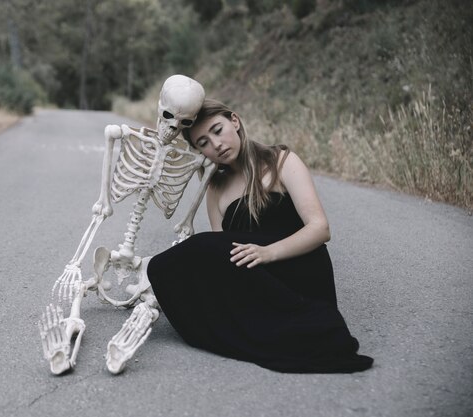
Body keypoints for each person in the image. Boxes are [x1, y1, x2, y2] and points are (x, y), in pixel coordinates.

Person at [147, 99, 373, 373]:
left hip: (298, 268)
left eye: (217, 130)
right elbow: (223, 256)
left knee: (199, 246)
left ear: (235, 121)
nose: (215, 145)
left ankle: (297, 324)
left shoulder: (281, 161)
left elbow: (319, 228)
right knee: (161, 268)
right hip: (257, 280)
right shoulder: (216, 189)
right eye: (203, 142)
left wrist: (268, 252)